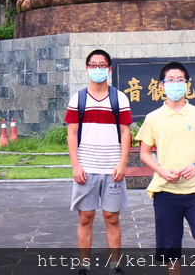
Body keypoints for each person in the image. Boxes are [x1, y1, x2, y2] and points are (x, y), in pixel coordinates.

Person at [137, 62, 195, 275]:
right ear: (162, 85)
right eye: (171, 80)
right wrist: (161, 171)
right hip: (165, 191)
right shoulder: (153, 117)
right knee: (170, 248)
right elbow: (144, 153)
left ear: (187, 84)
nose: (176, 84)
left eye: (180, 80)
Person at [65, 49, 133, 274]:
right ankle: (84, 266)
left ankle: (115, 266)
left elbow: (126, 133)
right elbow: (72, 133)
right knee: (86, 217)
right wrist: (76, 165)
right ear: (86, 69)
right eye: (93, 66)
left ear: (109, 69)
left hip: (112, 168)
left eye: (102, 65)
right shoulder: (78, 98)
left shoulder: (119, 98)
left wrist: (122, 163)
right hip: (86, 168)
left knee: (111, 217)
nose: (97, 70)